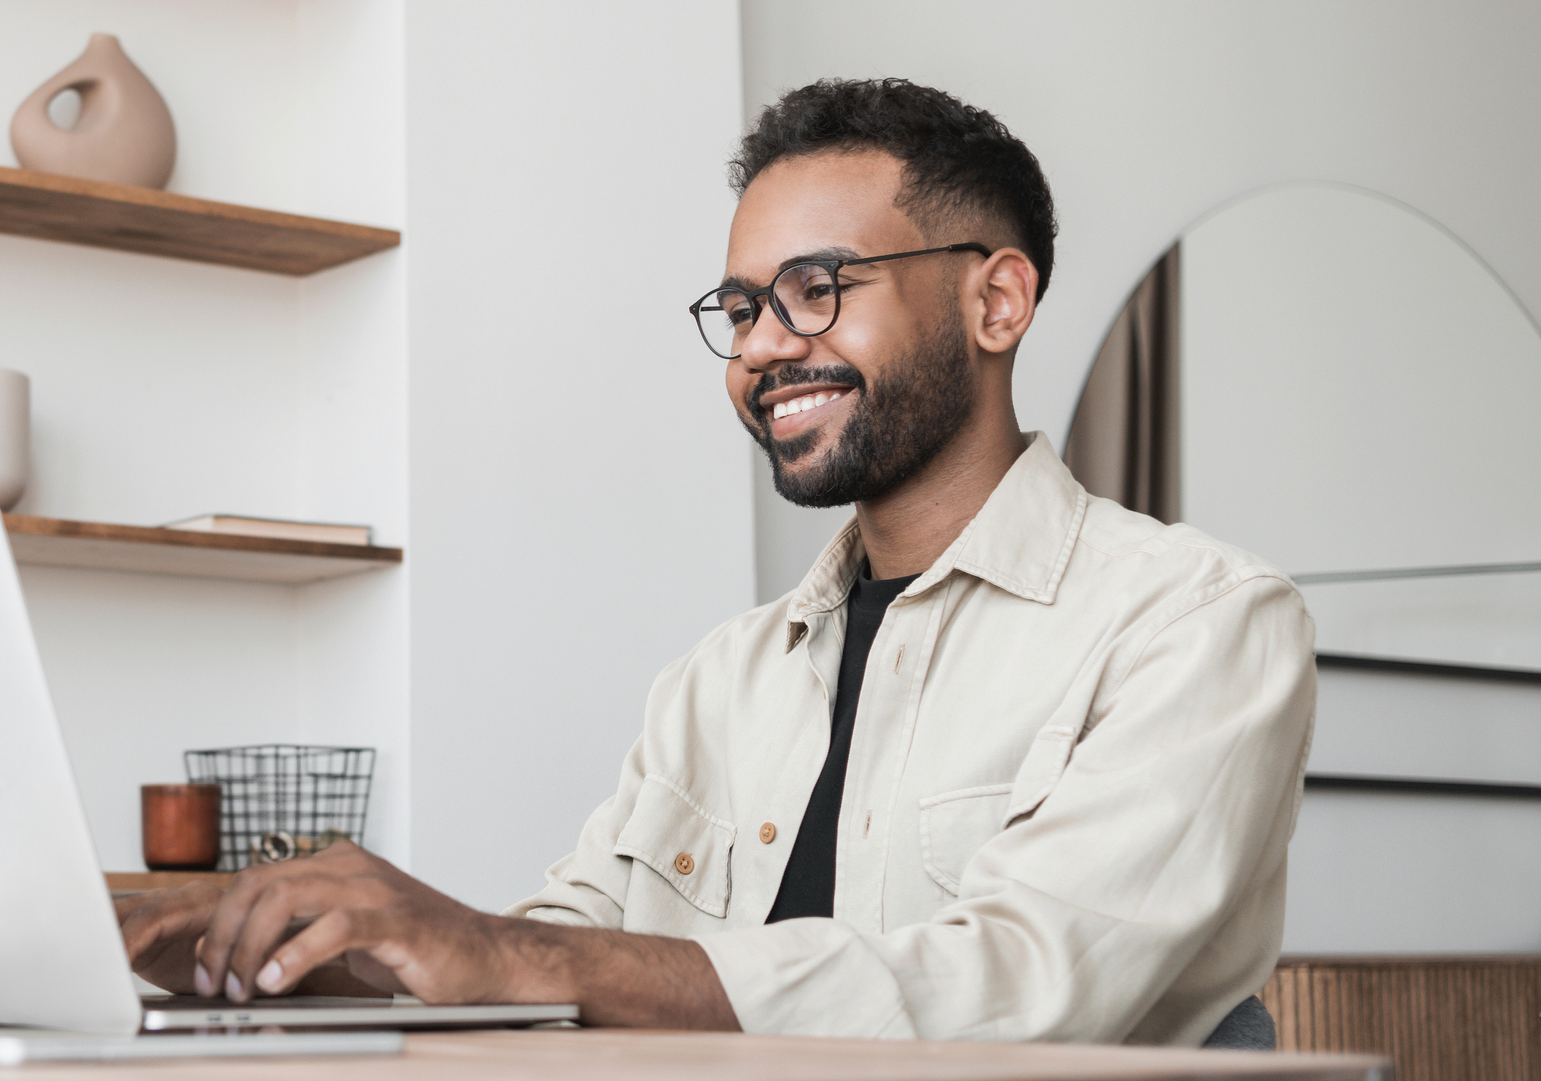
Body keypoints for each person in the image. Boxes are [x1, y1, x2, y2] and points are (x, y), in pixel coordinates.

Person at [116, 78, 1314, 1047]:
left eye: (818, 290)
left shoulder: (1196, 623)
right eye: (742, 309)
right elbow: (545, 963)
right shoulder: (718, 679)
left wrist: (517, 954)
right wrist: (268, 945)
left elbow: (1023, 985)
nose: (764, 349)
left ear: (996, 300)